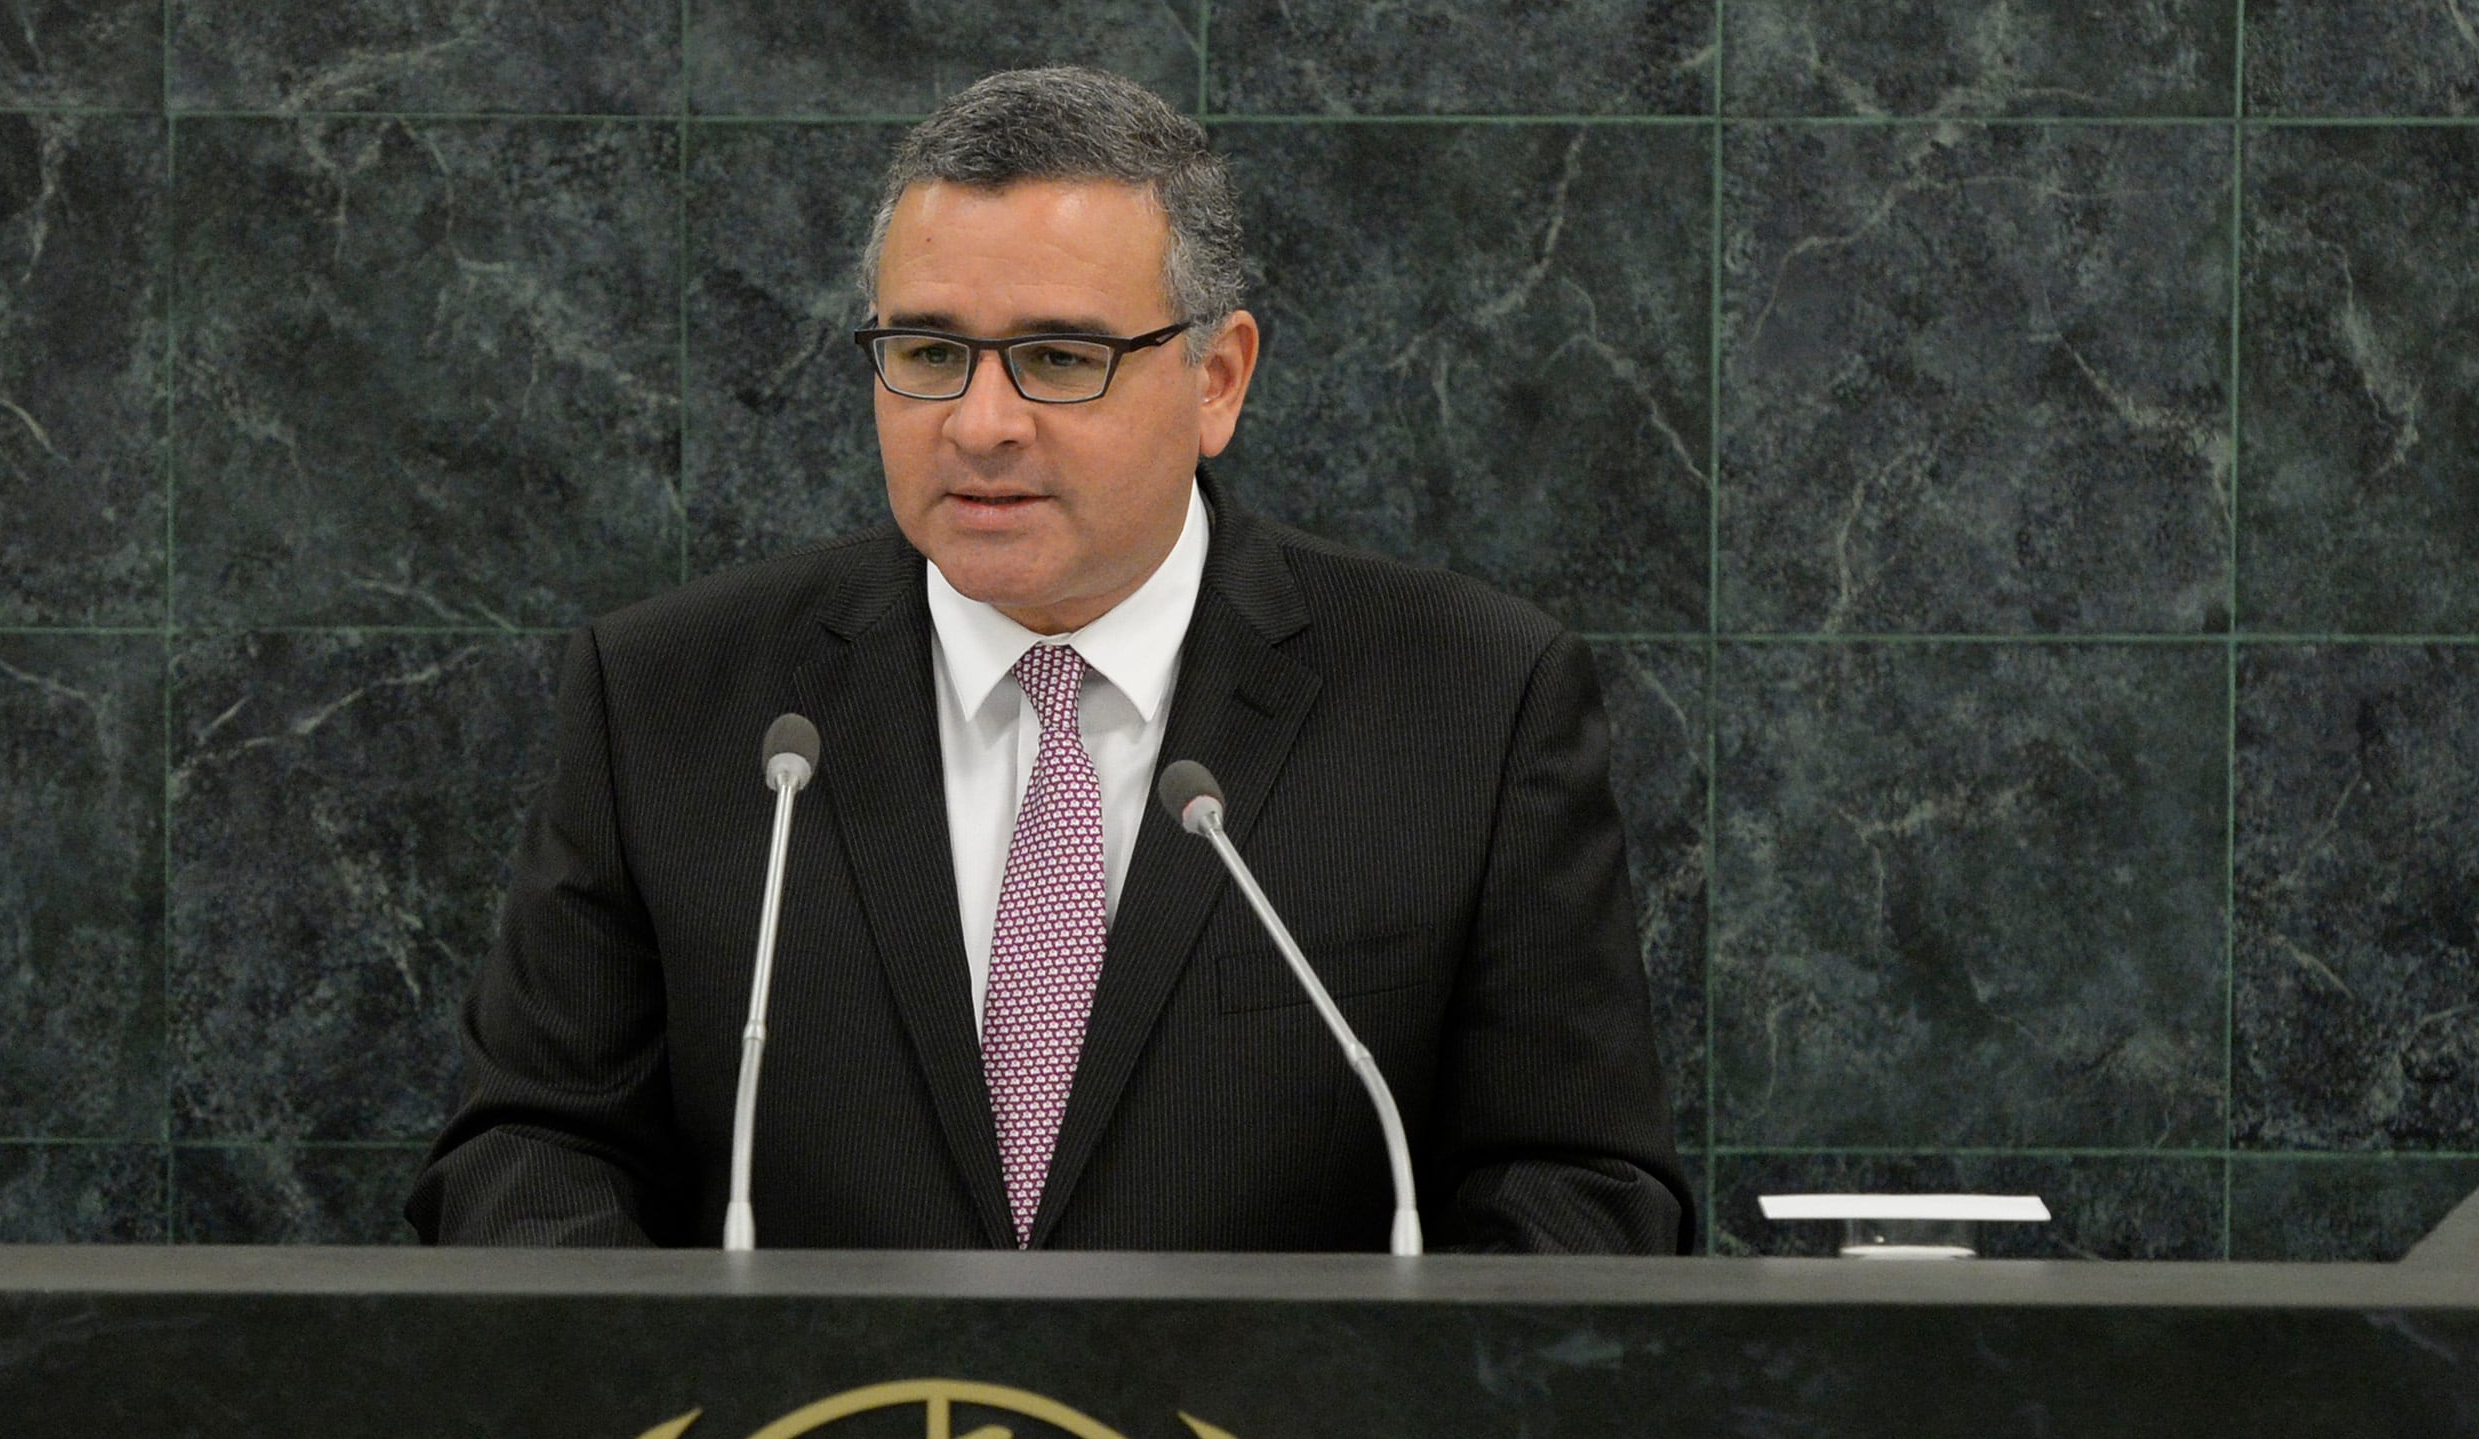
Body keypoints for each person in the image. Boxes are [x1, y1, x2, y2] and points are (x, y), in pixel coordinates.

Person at [408, 67, 1691, 1253]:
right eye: (927, 354)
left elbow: (1576, 1186)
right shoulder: (673, 698)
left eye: (1059, 359)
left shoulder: (1469, 701)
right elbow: (532, 1149)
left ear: (1217, 378)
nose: (979, 423)